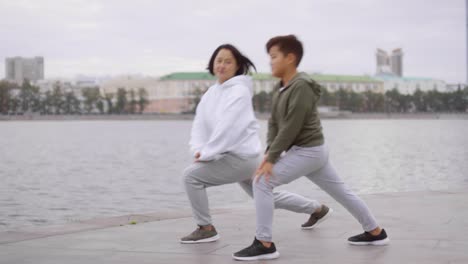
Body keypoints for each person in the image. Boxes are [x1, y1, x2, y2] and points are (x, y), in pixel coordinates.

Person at [233, 35, 389, 261]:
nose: (271, 62)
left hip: (309, 151)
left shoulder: (302, 86)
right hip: (312, 152)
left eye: (274, 57)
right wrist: (268, 153)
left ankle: (264, 243)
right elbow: (275, 124)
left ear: (290, 58)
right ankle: (375, 232)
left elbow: (292, 126)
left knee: (262, 182)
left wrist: (271, 160)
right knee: (342, 193)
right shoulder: (283, 88)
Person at [181, 44, 333, 244]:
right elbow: (199, 125)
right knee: (264, 196)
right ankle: (317, 209)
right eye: (219, 60)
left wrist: (208, 154)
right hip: (238, 157)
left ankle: (206, 228)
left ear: (237, 66)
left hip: (241, 158)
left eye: (228, 62)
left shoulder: (239, 91)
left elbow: (228, 127)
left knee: (191, 176)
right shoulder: (211, 93)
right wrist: (198, 149)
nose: (222, 65)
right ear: (212, 64)